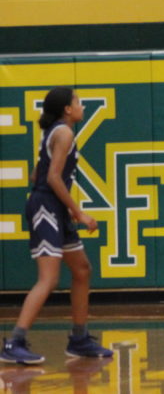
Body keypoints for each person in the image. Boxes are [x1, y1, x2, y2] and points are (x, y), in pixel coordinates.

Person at [0, 87, 113, 366]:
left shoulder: (54, 132)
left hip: (52, 207)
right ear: (66, 109)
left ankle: (79, 338)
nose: (81, 104)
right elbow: (51, 178)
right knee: (48, 279)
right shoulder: (64, 132)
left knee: (82, 269)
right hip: (46, 207)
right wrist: (80, 213)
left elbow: (36, 173)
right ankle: (14, 341)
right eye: (76, 101)